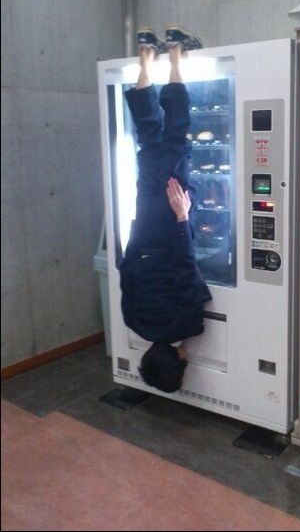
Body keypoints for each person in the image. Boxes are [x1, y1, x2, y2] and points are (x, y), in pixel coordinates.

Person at [119, 26, 211, 393]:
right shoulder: (134, 323)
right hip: (143, 225)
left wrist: (182, 218)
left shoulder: (186, 326)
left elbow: (185, 269)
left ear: (178, 361)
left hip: (171, 221)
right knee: (149, 138)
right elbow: (127, 274)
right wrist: (139, 233)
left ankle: (174, 53)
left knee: (176, 134)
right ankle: (146, 55)